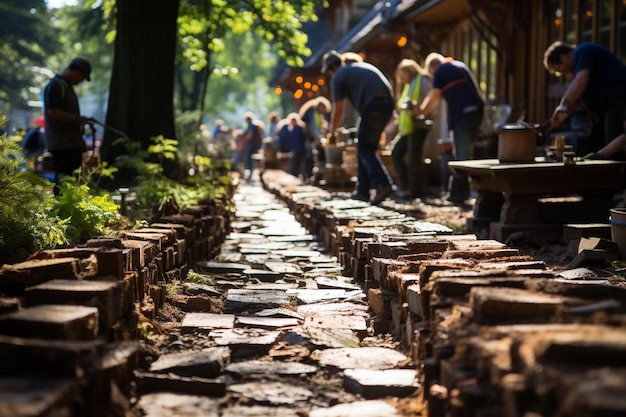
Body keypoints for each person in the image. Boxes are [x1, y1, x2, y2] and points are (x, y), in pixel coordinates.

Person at [322, 50, 395, 205]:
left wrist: (332, 133)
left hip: (373, 105)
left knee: (364, 148)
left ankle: (383, 184)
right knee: (365, 146)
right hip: (388, 103)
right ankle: (362, 191)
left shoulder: (338, 76)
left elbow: (338, 109)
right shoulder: (359, 67)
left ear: (330, 69)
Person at [418, 52, 484, 204]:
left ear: (432, 67)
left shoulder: (441, 70)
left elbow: (434, 97)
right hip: (476, 112)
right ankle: (465, 192)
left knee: (460, 154)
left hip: (463, 114)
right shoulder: (458, 65)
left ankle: (457, 194)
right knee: (466, 153)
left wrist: (420, 112)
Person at [544, 41, 626, 158]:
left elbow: (581, 80)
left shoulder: (582, 51)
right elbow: (578, 93)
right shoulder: (579, 64)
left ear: (563, 57)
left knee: (612, 150)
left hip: (616, 102)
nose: (562, 73)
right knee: (597, 146)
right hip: (603, 111)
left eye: (558, 70)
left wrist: (563, 104)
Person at [43, 57, 93, 194]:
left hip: (71, 143)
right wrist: (76, 118)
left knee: (72, 179)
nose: (81, 80)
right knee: (63, 179)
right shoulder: (55, 85)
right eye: (82, 76)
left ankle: (70, 208)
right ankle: (59, 209)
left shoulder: (67, 87)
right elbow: (52, 111)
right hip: (61, 143)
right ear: (76, 71)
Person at [390, 59, 433, 199]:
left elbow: (429, 100)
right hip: (407, 127)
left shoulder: (424, 81)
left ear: (409, 71)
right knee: (396, 153)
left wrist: (417, 110)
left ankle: (415, 189)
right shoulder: (410, 85)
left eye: (403, 75)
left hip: (418, 125)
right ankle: (405, 185)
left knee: (414, 158)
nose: (402, 79)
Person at [277, 113, 308, 180]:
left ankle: (298, 177)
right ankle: (296, 177)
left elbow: (297, 139)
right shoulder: (292, 129)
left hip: (298, 149)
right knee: (296, 164)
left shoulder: (298, 128)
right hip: (296, 149)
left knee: (298, 164)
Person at [242, 112, 263, 182]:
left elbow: (249, 135)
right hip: (255, 145)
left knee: (249, 159)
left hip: (251, 145)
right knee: (253, 160)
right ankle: (252, 173)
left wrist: (244, 139)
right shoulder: (255, 125)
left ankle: (250, 173)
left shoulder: (251, 125)